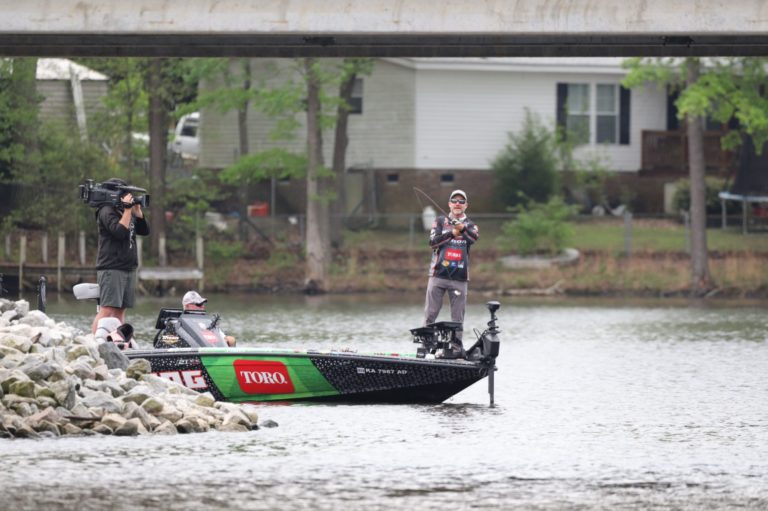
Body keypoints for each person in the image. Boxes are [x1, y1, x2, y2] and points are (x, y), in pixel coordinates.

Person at [91, 178, 150, 334]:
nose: (127, 197)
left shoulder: (124, 211)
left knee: (120, 310)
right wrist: (127, 211)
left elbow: (144, 231)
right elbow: (119, 232)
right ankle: (94, 341)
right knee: (107, 309)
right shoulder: (106, 210)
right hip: (112, 266)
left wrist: (137, 212)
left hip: (128, 266)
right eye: (124, 194)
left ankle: (118, 341)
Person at [424, 189, 479, 349]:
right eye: (454, 201)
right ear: (449, 204)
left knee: (457, 318)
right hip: (437, 275)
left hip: (460, 278)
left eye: (461, 201)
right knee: (430, 314)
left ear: (466, 205)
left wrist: (462, 229)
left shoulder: (471, 225)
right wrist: (452, 233)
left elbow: (473, 238)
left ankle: (456, 349)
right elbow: (432, 243)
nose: (457, 204)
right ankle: (426, 346)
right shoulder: (440, 221)